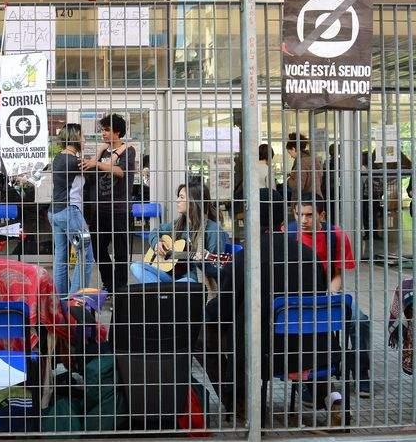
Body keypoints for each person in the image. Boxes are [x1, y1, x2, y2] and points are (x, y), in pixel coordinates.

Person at [204, 189, 337, 421]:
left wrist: (205, 310)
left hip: (258, 350)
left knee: (204, 335)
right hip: (306, 350)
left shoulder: (245, 258)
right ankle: (332, 398)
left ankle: (239, 400)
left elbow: (224, 310)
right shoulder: (309, 256)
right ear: (282, 218)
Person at [289, 193, 370, 399]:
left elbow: (337, 274)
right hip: (296, 297)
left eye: (309, 215)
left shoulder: (336, 235)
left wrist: (330, 294)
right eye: (299, 214)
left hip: (327, 292)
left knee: (360, 321)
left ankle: (361, 372)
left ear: (322, 215)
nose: (303, 220)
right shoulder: (287, 235)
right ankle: (304, 380)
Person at [132, 180, 228, 285]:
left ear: (194, 201)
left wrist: (201, 263)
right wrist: (156, 243)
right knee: (136, 266)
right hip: (170, 275)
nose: (177, 200)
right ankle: (166, 292)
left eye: (181, 197)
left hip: (193, 280)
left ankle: (163, 293)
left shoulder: (213, 230)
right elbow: (155, 231)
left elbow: (217, 270)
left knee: (175, 286)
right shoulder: (180, 223)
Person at [82, 113, 136, 293]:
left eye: (107, 130)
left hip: (120, 210)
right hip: (101, 209)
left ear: (117, 132)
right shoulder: (104, 150)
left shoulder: (128, 150)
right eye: (102, 130)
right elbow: (91, 170)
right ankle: (109, 283)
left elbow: (120, 172)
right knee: (97, 247)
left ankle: (120, 289)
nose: (103, 133)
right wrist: (98, 154)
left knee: (121, 252)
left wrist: (97, 164)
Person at [49, 123, 95, 298]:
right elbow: (94, 168)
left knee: (60, 258)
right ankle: (75, 301)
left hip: (55, 213)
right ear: (75, 137)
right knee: (86, 256)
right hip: (69, 212)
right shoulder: (74, 161)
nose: (84, 140)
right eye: (83, 136)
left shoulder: (58, 158)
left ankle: (62, 302)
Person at [286, 132, 323, 198]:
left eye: (289, 152)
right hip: (317, 198)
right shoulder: (314, 159)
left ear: (294, 149)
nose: (291, 156)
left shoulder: (301, 162)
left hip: (304, 201)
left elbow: (297, 186)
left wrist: (288, 179)